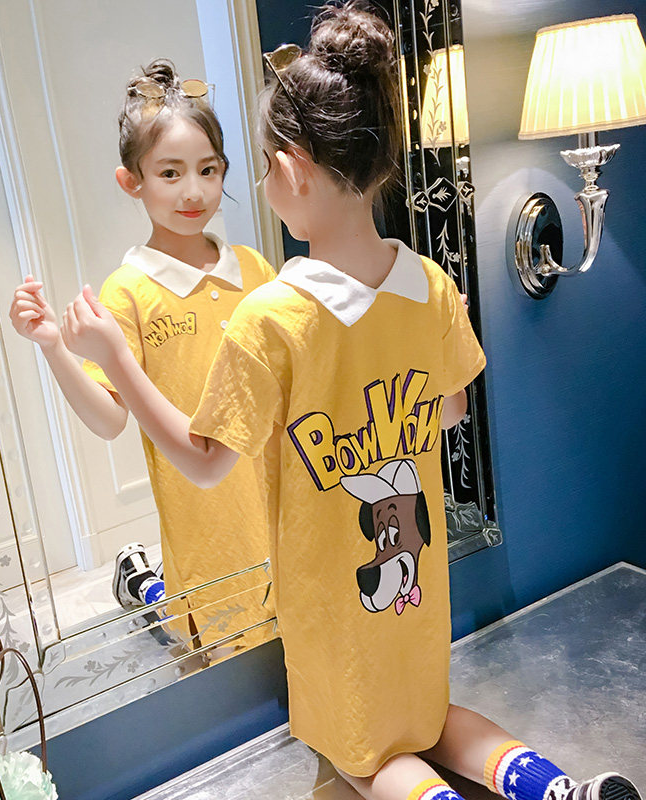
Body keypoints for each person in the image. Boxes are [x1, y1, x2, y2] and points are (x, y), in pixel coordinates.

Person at [56, 4, 642, 800]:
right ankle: (559, 788)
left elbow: (204, 463)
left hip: (335, 604)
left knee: (365, 757)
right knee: (428, 718)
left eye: (260, 168)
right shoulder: (428, 284)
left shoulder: (271, 316)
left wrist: (116, 359)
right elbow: (451, 413)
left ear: (292, 168)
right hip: (418, 587)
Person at [9, 60, 275, 645]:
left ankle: (142, 582)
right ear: (132, 181)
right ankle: (146, 586)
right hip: (206, 532)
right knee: (220, 655)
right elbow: (109, 421)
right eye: (170, 173)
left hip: (280, 508)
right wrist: (53, 347)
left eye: (208, 169)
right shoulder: (128, 291)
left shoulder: (256, 271)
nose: (193, 191)